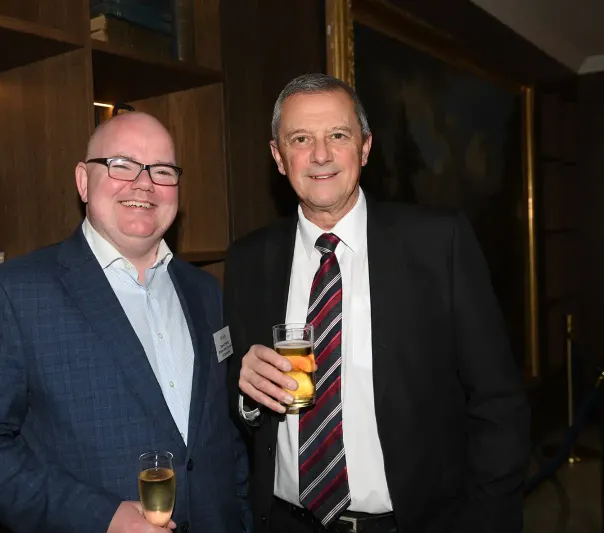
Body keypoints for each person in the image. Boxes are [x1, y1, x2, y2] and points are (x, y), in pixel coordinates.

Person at [224, 73, 530, 533]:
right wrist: (246, 397)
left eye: (338, 135)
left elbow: (498, 403)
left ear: (365, 148)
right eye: (301, 139)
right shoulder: (249, 260)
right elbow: (240, 397)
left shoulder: (437, 244)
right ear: (278, 157)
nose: (321, 154)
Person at [0, 112, 251, 533]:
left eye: (162, 170)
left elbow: (220, 433)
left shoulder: (205, 290)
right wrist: (99, 517)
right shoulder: (14, 293)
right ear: (83, 181)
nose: (144, 184)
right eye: (122, 165)